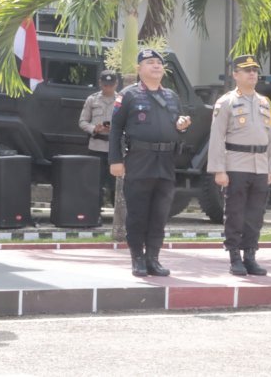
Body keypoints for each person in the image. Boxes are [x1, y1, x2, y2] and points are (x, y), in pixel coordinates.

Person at [108, 49, 191, 277]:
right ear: (139, 69)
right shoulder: (129, 95)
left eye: (159, 63)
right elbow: (115, 129)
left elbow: (178, 127)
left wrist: (182, 126)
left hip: (165, 161)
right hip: (139, 160)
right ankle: (137, 258)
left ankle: (153, 258)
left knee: (159, 214)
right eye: (150, 62)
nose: (156, 66)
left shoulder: (172, 97)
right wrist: (115, 160)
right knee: (137, 213)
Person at [208, 55, 271, 276]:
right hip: (236, 163)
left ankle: (250, 255)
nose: (252, 74)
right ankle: (234, 257)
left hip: (260, 165)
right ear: (235, 75)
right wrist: (219, 169)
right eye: (246, 70)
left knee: (256, 214)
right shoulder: (226, 102)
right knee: (236, 212)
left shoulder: (265, 102)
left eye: (255, 71)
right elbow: (217, 137)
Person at [79, 70, 119, 206]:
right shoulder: (92, 99)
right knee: (95, 182)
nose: (108, 88)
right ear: (100, 83)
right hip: (96, 146)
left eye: (111, 85)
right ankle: (94, 213)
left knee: (116, 183)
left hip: (115, 148)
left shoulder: (121, 101)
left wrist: (115, 128)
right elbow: (82, 122)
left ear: (116, 84)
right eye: (105, 85)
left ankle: (119, 218)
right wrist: (94, 128)